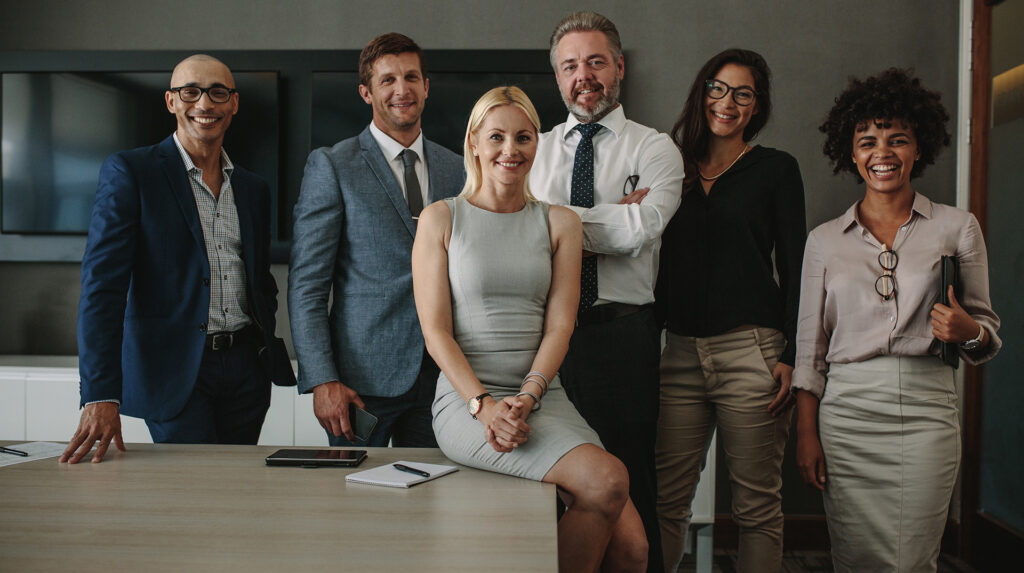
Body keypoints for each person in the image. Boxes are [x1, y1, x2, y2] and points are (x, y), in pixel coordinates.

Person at [413, 85, 648, 573]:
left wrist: (529, 394)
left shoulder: (560, 222)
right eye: (496, 136)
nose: (510, 150)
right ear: (474, 142)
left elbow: (560, 326)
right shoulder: (441, 218)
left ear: (536, 145)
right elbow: (436, 333)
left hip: (542, 395)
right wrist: (484, 407)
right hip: (466, 403)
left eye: (523, 137)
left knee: (634, 549)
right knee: (607, 482)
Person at [793, 68, 1002, 572]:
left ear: (918, 149)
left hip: (929, 411)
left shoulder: (958, 227)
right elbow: (809, 349)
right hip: (846, 414)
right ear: (851, 152)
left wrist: (967, 331)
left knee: (912, 560)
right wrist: (806, 432)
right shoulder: (824, 240)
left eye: (897, 140)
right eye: (868, 141)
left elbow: (987, 335)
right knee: (855, 557)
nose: (882, 153)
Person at [61, 54, 292, 464]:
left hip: (246, 372)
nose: (205, 104)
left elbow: (259, 280)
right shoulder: (132, 172)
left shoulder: (254, 188)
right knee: (192, 495)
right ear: (171, 101)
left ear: (233, 103)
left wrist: (261, 346)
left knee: (239, 489)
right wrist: (100, 392)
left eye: (218, 92)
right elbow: (102, 289)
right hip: (175, 371)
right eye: (191, 92)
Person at [529, 13, 684, 570]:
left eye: (596, 61)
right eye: (570, 65)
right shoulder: (532, 149)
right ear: (558, 78)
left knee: (632, 480)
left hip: (623, 338)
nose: (584, 75)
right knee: (549, 486)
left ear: (618, 67)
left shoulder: (656, 148)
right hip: (545, 340)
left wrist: (555, 227)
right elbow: (516, 237)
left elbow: (644, 227)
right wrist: (611, 218)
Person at [654, 49, 806, 573]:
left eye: (743, 93)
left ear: (756, 106)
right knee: (665, 503)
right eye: (718, 88)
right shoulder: (668, 166)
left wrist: (793, 352)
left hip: (753, 353)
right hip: (678, 354)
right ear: (702, 92)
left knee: (756, 506)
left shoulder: (776, 170)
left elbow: (797, 266)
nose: (728, 102)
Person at [289, 33, 464, 447]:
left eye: (410, 77)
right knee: (354, 506)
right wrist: (322, 380)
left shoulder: (459, 167)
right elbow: (307, 287)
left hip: (445, 375)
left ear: (426, 86)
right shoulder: (333, 165)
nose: (401, 89)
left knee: (432, 500)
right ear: (366, 92)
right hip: (361, 383)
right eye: (387, 80)